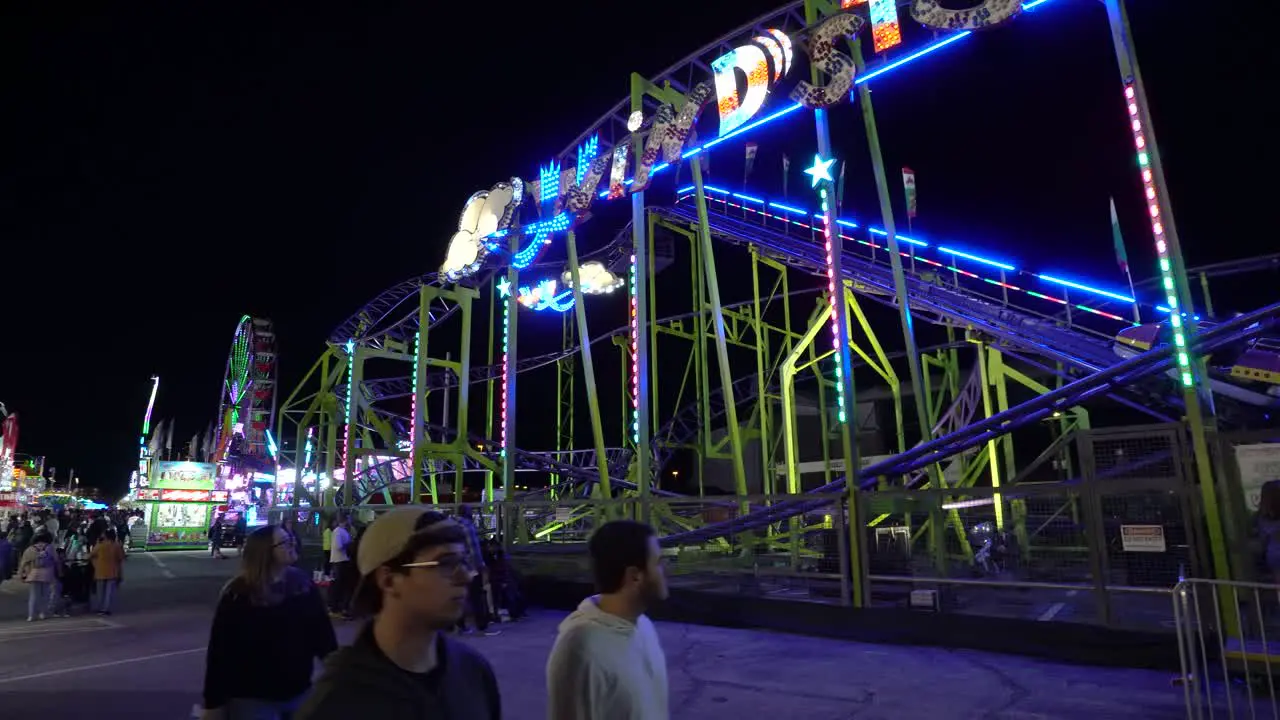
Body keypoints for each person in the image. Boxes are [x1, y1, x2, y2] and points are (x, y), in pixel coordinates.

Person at [294, 508, 500, 720]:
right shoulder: (336, 703)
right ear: (389, 580)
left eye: (463, 561)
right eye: (446, 564)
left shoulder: (474, 672)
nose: (465, 576)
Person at [202, 525, 337, 720]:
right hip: (252, 698)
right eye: (284, 542)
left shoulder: (303, 585)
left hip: (299, 691)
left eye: (291, 538)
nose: (292, 544)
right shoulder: (238, 594)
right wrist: (213, 703)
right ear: (265, 552)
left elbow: (322, 634)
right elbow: (220, 653)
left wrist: (336, 671)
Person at [546, 520, 670, 720]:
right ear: (635, 576)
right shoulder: (581, 650)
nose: (666, 570)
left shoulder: (643, 626)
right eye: (658, 563)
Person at [455, 505, 498, 636]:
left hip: (457, 566)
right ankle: (482, 626)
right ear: (467, 513)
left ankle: (461, 626)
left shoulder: (453, 524)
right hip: (470, 567)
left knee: (460, 596)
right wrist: (481, 565)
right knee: (477, 596)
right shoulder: (467, 526)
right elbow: (474, 549)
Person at [18, 531, 58, 622]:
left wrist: (21, 575)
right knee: (45, 594)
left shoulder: (30, 549)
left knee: (33, 595)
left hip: (34, 573)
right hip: (47, 573)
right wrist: (59, 572)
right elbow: (56, 561)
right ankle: (43, 613)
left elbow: (23, 563)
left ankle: (31, 615)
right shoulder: (50, 548)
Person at [90, 528, 126, 614]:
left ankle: (100, 607)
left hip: (100, 571)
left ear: (105, 536)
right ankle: (106, 609)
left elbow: (91, 555)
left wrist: (95, 564)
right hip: (112, 571)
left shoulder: (100, 545)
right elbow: (121, 558)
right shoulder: (116, 545)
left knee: (100, 592)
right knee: (109, 592)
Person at [327, 516, 354, 619]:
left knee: (341, 585)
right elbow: (338, 546)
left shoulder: (342, 531)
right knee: (339, 585)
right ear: (345, 521)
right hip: (340, 561)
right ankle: (335, 608)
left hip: (342, 560)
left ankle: (338, 607)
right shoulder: (338, 531)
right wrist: (348, 544)